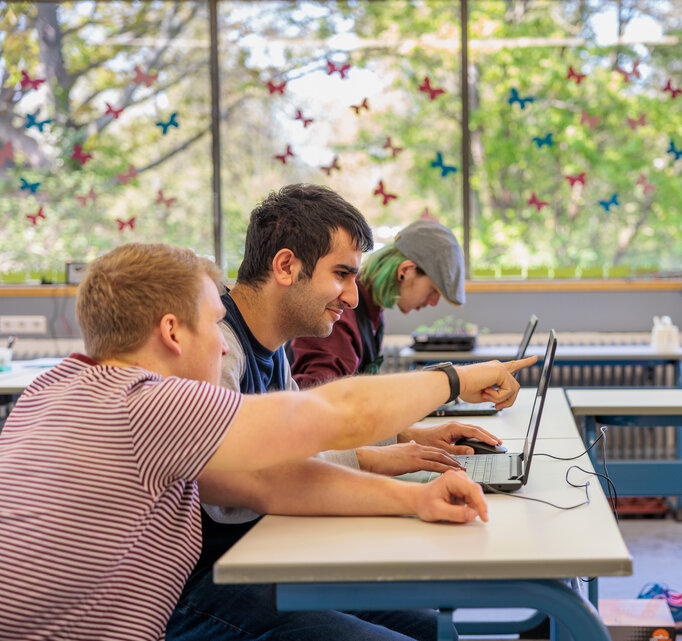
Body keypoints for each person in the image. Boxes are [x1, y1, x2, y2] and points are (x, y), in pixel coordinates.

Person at [0, 242, 532, 641]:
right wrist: (457, 378)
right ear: (172, 332)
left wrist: (415, 497)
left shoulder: (57, 385)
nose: (223, 348)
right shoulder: (148, 404)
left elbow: (266, 480)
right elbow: (338, 413)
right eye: (213, 325)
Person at [168, 184, 504, 641]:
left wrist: (382, 465)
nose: (351, 295)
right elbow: (248, 479)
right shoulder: (220, 350)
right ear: (286, 265)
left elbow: (292, 451)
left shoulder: (275, 346)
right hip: (203, 585)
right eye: (342, 274)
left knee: (432, 628)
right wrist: (448, 388)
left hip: (259, 553)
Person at [291, 218, 465, 387]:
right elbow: (321, 397)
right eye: (433, 290)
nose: (434, 302)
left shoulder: (373, 312)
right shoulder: (339, 311)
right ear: (406, 270)